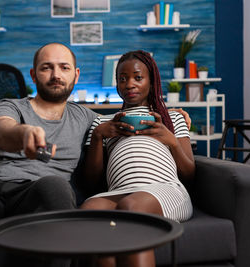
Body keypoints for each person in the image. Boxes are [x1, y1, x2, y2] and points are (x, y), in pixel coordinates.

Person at [0, 43, 191, 267]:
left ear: (75, 75)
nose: (55, 75)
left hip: (38, 195)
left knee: (56, 186)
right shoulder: (10, 106)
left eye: (63, 68)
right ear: (34, 74)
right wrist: (23, 134)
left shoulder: (87, 118)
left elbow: (120, 122)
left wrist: (174, 115)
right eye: (46, 67)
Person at [80, 50, 195, 267]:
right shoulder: (102, 124)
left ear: (152, 82)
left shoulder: (173, 118)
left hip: (165, 189)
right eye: (122, 79)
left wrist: (170, 140)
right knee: (89, 212)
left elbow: (190, 173)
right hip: (118, 192)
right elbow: (90, 183)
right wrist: (98, 136)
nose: (129, 84)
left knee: (131, 207)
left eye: (138, 77)